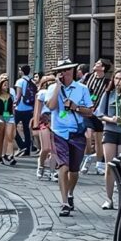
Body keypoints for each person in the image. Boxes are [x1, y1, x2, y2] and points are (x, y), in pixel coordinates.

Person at [45, 58, 93, 217]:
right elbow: (51, 107)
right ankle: (64, 202)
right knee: (63, 166)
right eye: (60, 71)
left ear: (72, 71)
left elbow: (90, 111)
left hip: (77, 132)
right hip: (59, 133)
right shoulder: (52, 88)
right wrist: (58, 87)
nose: (62, 73)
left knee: (74, 170)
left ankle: (70, 192)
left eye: (66, 70)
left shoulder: (82, 88)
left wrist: (76, 107)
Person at [96, 70, 121, 210]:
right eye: (116, 78)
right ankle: (108, 198)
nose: (118, 82)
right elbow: (99, 114)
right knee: (109, 165)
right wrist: (110, 119)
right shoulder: (108, 94)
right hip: (110, 130)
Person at [79, 59, 111, 175]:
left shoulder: (107, 81)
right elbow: (79, 88)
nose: (95, 65)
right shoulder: (88, 77)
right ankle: (84, 157)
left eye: (98, 64)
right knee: (87, 135)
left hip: (97, 113)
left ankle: (98, 163)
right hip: (85, 111)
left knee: (99, 140)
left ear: (103, 68)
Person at [31, 75, 57, 180]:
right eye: (48, 82)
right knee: (46, 148)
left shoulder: (59, 93)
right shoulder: (41, 94)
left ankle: (52, 171)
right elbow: (37, 111)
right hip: (44, 121)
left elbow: (63, 111)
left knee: (55, 150)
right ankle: (41, 165)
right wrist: (35, 125)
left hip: (56, 122)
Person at [0, 74, 17, 166]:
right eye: (4, 83)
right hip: (0, 117)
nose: (6, 85)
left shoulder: (10, 95)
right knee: (0, 139)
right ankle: (0, 156)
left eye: (7, 83)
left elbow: (13, 108)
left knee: (9, 136)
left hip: (9, 117)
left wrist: (14, 116)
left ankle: (10, 155)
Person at [13, 65, 36, 157]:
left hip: (20, 108)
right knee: (27, 130)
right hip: (29, 108)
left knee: (11, 127)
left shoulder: (20, 81)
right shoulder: (32, 81)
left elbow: (18, 96)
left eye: (19, 70)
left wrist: (14, 105)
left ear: (22, 71)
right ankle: (27, 150)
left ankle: (21, 145)